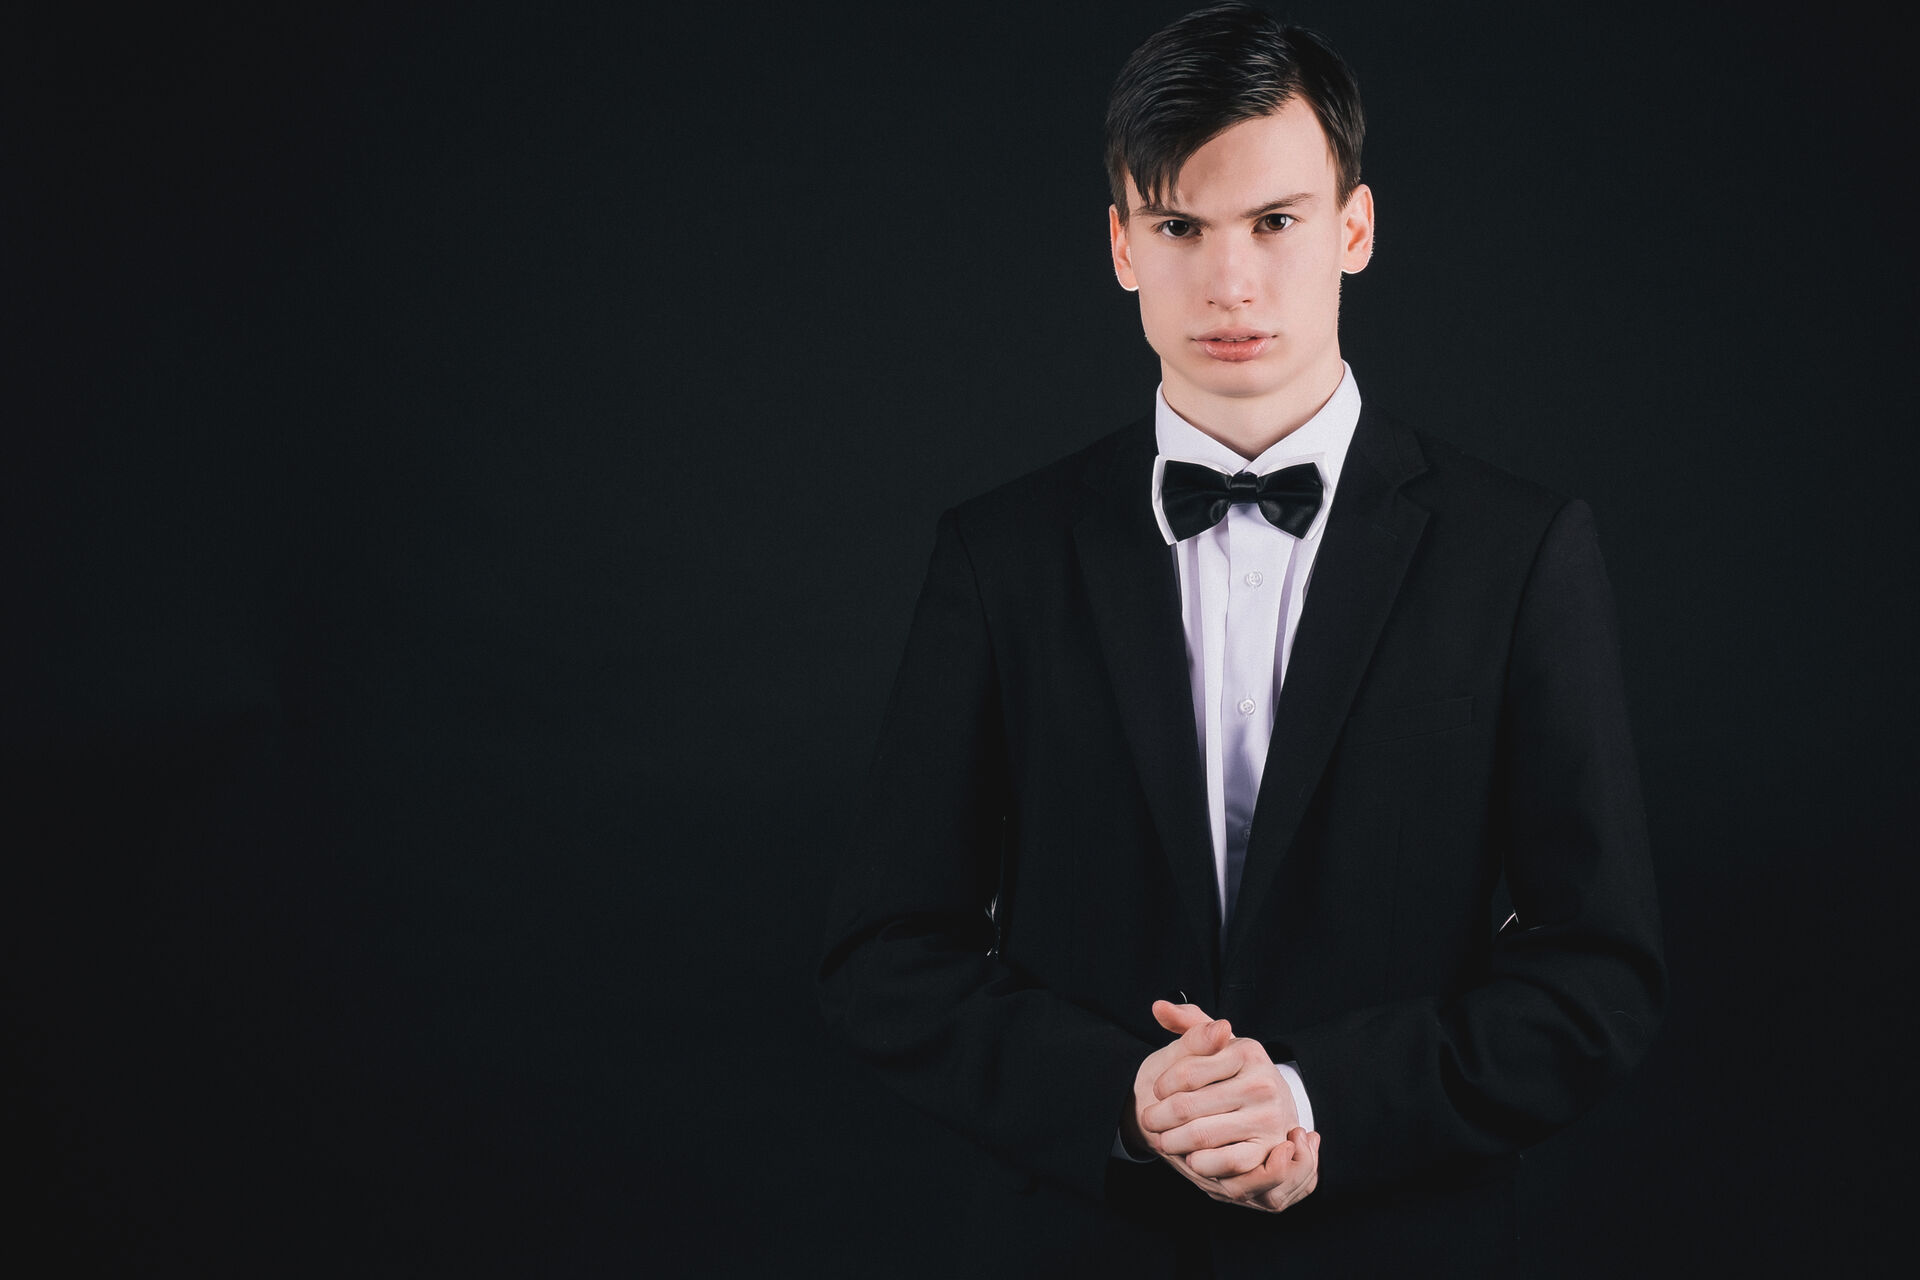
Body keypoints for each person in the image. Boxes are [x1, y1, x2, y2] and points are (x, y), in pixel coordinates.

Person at [817, 4, 1665, 1275]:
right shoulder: (1000, 553)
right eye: (1180, 227)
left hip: (1400, 1241)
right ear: (1121, 245)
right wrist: (1125, 1096)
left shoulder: (1522, 549)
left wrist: (1319, 1099)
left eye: (1275, 221)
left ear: (1354, 228)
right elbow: (884, 952)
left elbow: (1601, 971)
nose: (1230, 283)